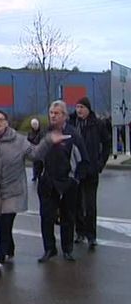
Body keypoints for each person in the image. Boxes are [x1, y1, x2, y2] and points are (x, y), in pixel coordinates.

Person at [0, 110, 65, 273]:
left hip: (13, 191)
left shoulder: (19, 140)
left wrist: (48, 141)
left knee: (5, 224)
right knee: (2, 224)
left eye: (1, 120)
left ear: (7, 122)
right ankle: (10, 248)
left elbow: (36, 154)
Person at [37, 100, 89, 263]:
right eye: (51, 113)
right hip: (48, 183)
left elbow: (84, 160)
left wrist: (75, 180)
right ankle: (49, 249)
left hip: (67, 183)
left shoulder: (73, 135)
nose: (53, 116)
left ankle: (67, 249)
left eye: (56, 113)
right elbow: (37, 155)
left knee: (68, 217)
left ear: (64, 115)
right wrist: (39, 175)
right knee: (46, 217)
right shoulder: (45, 133)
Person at [69, 97, 111, 247]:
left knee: (90, 204)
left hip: (91, 170)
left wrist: (100, 163)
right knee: (76, 203)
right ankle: (79, 232)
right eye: (77, 107)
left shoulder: (97, 124)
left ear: (88, 109)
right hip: (76, 170)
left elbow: (107, 143)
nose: (79, 110)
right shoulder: (72, 123)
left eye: (82, 107)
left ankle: (91, 235)